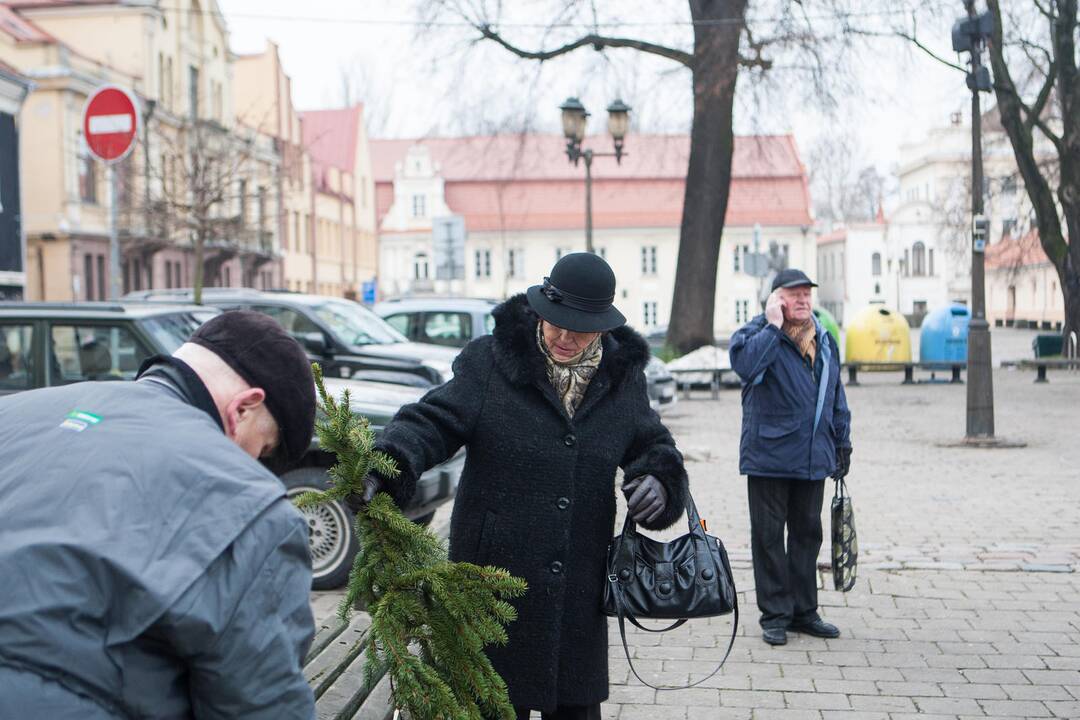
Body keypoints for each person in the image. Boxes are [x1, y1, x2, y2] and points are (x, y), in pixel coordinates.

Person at [354, 253, 689, 720]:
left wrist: (659, 479)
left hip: (577, 581)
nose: (566, 338)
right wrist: (388, 465)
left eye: (581, 328)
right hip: (493, 579)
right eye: (556, 324)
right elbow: (431, 421)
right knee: (490, 701)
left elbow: (653, 442)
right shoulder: (490, 363)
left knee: (572, 704)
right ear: (540, 311)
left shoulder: (621, 378)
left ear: (603, 326)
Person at [0, 310, 318, 719]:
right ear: (245, 408)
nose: (256, 464)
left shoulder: (16, 412)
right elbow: (260, 704)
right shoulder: (248, 505)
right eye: (266, 449)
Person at [729, 269, 852, 647]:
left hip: (813, 456)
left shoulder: (824, 340)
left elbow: (835, 396)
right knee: (768, 538)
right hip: (768, 455)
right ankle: (775, 614)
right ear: (775, 299)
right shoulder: (754, 334)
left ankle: (804, 610)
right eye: (792, 294)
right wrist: (772, 326)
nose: (801, 300)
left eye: (806, 295)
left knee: (807, 536)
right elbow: (747, 367)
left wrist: (842, 443)